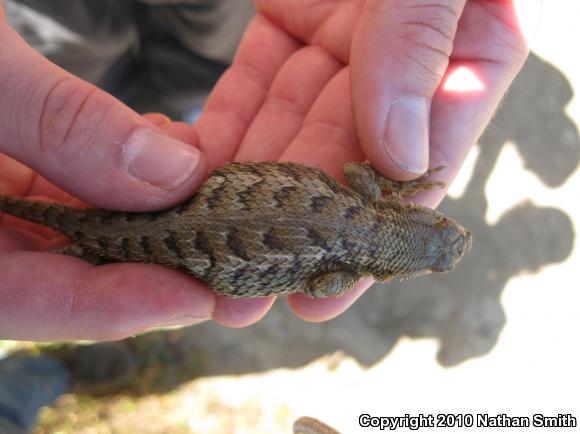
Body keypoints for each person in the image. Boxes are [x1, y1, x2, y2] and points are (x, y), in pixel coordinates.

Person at [0, 0, 530, 342]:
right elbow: (320, 293)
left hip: (189, 203)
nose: (447, 226)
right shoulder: (346, 272)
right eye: (440, 225)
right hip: (185, 224)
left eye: (441, 230)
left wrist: (391, 183)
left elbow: (354, 166)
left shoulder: (364, 198)